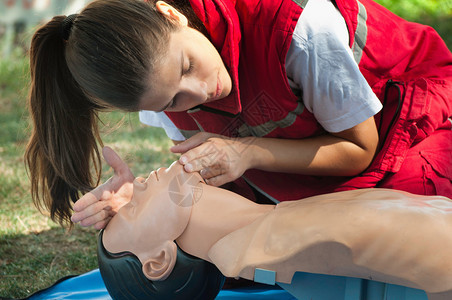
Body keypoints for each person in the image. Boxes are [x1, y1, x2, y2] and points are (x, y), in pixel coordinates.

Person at [25, 0, 452, 228]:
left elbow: (359, 148)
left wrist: (246, 152)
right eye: (171, 102)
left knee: (400, 219)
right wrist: (137, 202)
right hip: (296, 155)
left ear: (171, 14)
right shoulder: (155, 90)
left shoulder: (300, 26)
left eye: (187, 67)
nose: (198, 94)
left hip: (403, 120)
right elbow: (218, 167)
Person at [100, 151, 452, 299]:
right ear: (159, 261)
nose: (139, 185)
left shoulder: (272, 228)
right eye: (132, 208)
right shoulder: (269, 249)